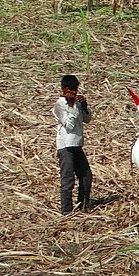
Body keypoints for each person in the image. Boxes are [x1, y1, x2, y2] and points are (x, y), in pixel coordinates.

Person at [53, 74, 93, 214]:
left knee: (86, 176)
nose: (74, 92)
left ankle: (83, 206)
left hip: (77, 145)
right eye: (70, 89)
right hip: (65, 146)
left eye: (75, 89)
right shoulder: (59, 106)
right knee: (68, 179)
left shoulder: (76, 103)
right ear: (63, 89)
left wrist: (84, 106)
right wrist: (71, 106)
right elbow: (69, 125)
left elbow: (87, 119)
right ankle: (66, 211)